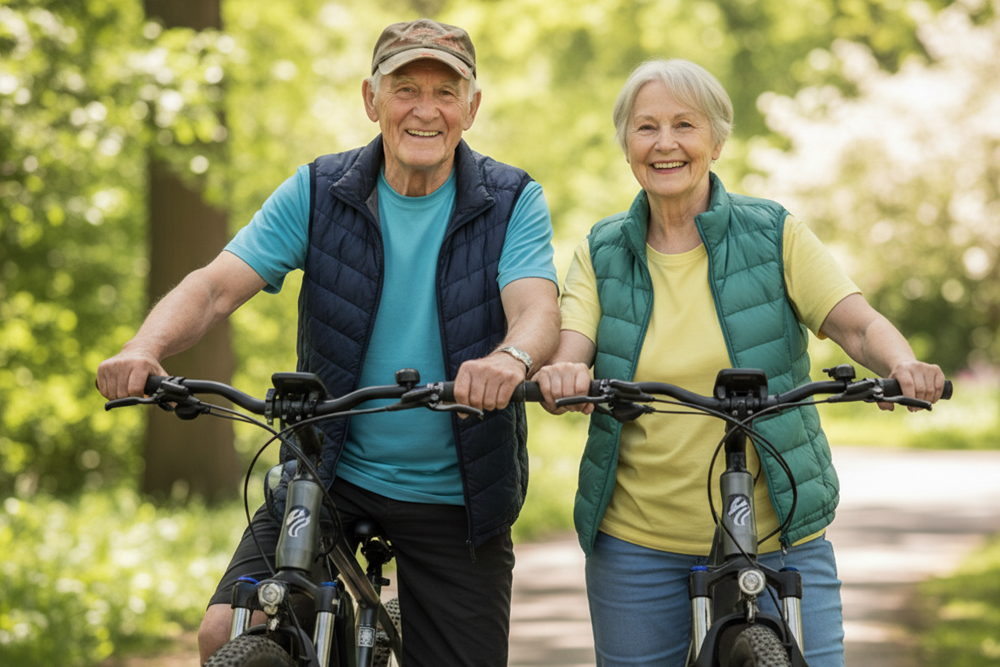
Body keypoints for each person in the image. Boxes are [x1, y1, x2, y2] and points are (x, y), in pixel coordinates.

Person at [97, 18, 560, 666]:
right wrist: (145, 348)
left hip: (456, 493)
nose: (425, 109)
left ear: (471, 107)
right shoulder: (319, 190)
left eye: (445, 91)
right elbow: (214, 287)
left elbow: (536, 308)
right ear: (371, 99)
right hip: (327, 473)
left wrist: (510, 358)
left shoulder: (513, 200)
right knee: (222, 631)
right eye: (405, 89)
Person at [534, 58, 945, 667]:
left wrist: (903, 363)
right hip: (638, 542)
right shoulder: (600, 251)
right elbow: (573, 346)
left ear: (717, 140)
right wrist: (563, 374)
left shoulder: (774, 232)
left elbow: (854, 323)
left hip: (780, 533)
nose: (665, 143)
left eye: (685, 125)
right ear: (626, 144)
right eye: (646, 128)